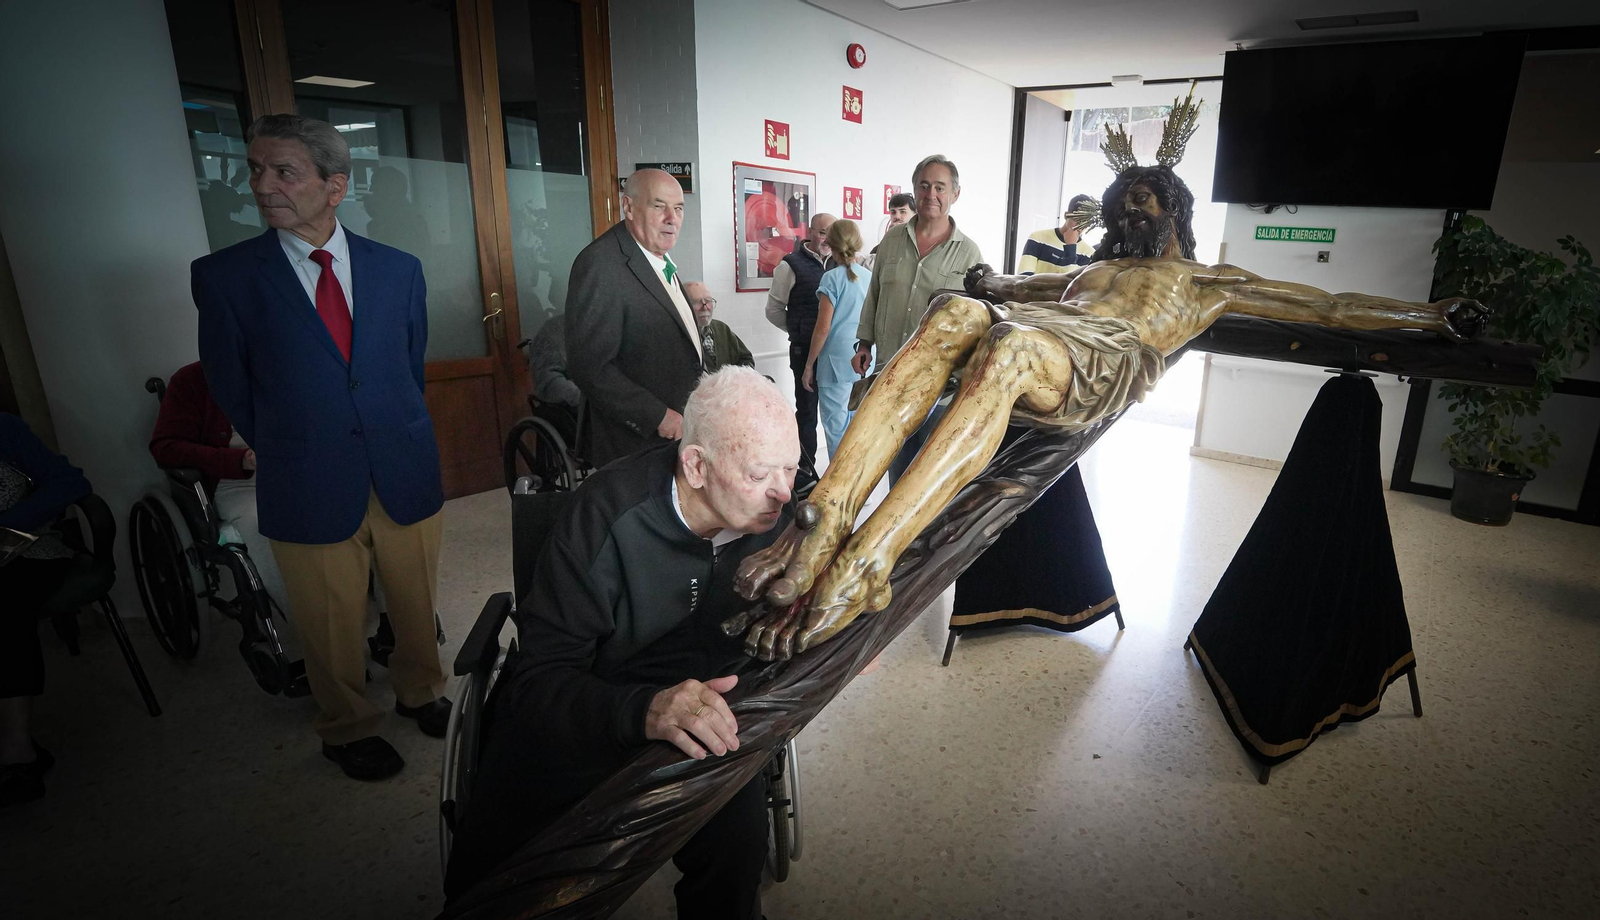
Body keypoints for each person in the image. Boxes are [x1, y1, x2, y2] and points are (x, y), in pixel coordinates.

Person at [443, 367, 800, 919]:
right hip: (594, 706)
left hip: (714, 719)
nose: (783, 492)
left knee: (736, 852)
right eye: (758, 474)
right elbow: (539, 684)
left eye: (791, 467)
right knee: (507, 888)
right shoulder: (605, 515)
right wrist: (644, 711)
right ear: (697, 466)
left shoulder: (782, 516)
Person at [195, 113, 450, 781]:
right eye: (256, 169)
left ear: (335, 186)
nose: (262, 185)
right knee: (329, 617)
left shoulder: (398, 270)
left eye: (284, 171)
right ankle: (346, 725)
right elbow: (233, 386)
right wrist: (296, 437)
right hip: (306, 471)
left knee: (414, 600)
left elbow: (407, 366)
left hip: (401, 461)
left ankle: (422, 690)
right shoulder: (226, 278)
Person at [851, 155, 984, 483]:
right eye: (924, 186)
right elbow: (875, 294)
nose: (931, 194)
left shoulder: (969, 253)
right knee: (894, 468)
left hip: (941, 385)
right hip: (890, 377)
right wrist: (864, 341)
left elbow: (978, 317)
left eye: (940, 187)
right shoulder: (892, 243)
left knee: (928, 478)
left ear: (955, 194)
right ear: (914, 190)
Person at [565, 168, 705, 467]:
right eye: (659, 206)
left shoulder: (658, 257)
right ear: (628, 207)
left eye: (678, 208)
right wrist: (656, 416)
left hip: (677, 434)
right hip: (634, 443)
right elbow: (590, 367)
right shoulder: (600, 264)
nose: (672, 218)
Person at [148, 361, 292, 618]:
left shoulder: (283, 368)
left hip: (292, 475)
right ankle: (306, 624)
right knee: (267, 523)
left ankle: (368, 620)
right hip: (232, 482)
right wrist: (240, 460)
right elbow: (164, 448)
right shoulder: (192, 379)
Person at [1, 413, 90, 807]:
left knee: (3, 606)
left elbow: (70, 481)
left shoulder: (4, 429)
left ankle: (18, 752)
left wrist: (8, 523)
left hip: (25, 547)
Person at [764, 212, 835, 490]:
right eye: (821, 232)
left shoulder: (842, 264)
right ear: (810, 232)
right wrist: (800, 330)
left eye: (832, 233)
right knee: (806, 411)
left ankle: (838, 473)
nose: (826, 239)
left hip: (836, 352)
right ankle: (805, 474)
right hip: (804, 350)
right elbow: (773, 311)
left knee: (837, 412)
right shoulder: (790, 266)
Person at [802, 219, 872, 460]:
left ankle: (838, 493)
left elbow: (823, 327)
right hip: (864, 358)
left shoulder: (831, 279)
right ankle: (860, 491)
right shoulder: (869, 277)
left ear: (830, 244)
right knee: (860, 428)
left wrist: (809, 365)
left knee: (836, 429)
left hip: (834, 361)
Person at [682, 281, 755, 372]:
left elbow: (746, 359)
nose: (705, 307)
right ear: (684, 305)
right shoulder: (680, 336)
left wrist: (733, 378)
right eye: (697, 302)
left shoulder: (722, 329)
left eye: (708, 301)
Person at [1018, 193, 1094, 275]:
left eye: (1085, 222)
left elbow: (1071, 283)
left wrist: (1070, 247)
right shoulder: (1037, 238)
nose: (1080, 226)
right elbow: (1024, 277)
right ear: (1066, 215)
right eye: (1077, 220)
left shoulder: (1089, 254)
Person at [864, 191, 915, 268]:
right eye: (893, 212)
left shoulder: (923, 245)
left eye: (902, 212)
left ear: (915, 214)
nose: (897, 216)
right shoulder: (878, 249)